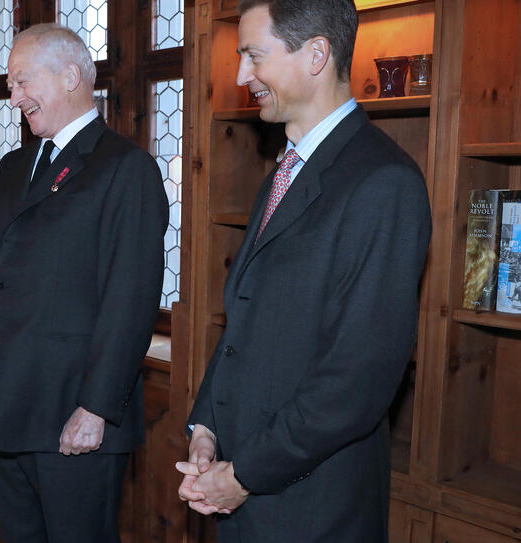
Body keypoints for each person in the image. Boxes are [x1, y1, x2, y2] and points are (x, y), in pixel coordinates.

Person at [176, 1, 432, 541]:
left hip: (312, 509)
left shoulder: (385, 183)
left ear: (316, 54)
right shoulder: (285, 171)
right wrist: (207, 429)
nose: (243, 75)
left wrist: (245, 475)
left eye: (254, 56)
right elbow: (244, 327)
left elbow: (356, 380)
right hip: (243, 493)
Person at [0, 24, 168, 543]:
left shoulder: (126, 169)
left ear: (70, 76)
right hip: (9, 408)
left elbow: (129, 301)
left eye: (21, 81)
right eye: (10, 84)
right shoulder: (16, 166)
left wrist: (96, 408)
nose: (13, 96)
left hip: (74, 416)